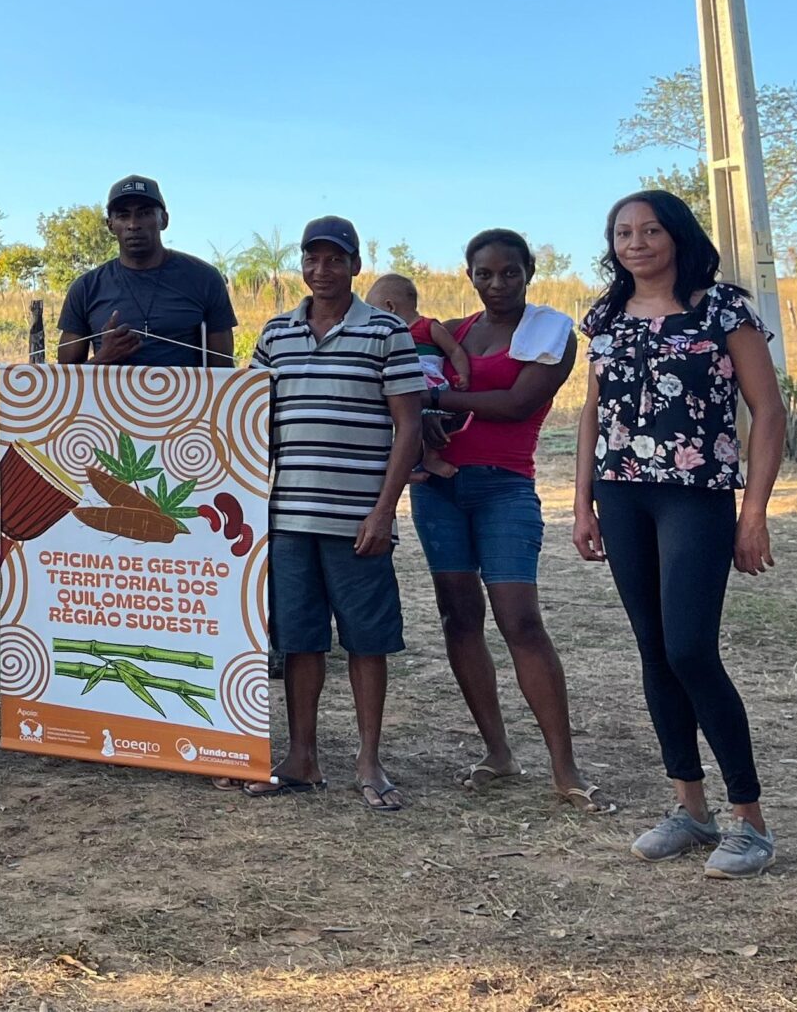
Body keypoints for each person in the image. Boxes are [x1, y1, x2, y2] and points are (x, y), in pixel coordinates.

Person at [575, 190, 787, 878]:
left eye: (651, 229)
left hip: (695, 494)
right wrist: (581, 502)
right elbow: (592, 414)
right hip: (621, 493)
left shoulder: (720, 306)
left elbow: (767, 409)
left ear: (678, 234)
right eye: (623, 231)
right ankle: (689, 807)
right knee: (654, 650)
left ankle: (749, 821)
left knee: (692, 648)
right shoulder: (605, 314)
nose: (636, 242)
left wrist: (752, 511)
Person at [406, 231, 609, 812]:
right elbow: (416, 385)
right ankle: (498, 752)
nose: (497, 284)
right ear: (470, 275)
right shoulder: (459, 332)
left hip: (505, 486)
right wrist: (425, 421)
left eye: (509, 273)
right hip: (440, 490)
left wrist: (435, 406)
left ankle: (564, 767)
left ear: (529, 273)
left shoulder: (550, 331)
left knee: (520, 621)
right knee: (458, 617)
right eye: (485, 274)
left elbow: (520, 402)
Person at [245, 216, 424, 812]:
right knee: (299, 641)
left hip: (357, 520)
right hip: (289, 516)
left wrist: (383, 510)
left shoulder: (385, 332)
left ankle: (369, 760)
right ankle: (302, 757)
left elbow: (409, 425)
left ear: (354, 265)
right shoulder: (275, 335)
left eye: (334, 259)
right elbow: (248, 424)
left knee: (366, 641)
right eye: (311, 259)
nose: (321, 270)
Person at [56, 176, 237, 367]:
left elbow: (223, 374)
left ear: (164, 220)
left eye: (144, 213)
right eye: (123, 215)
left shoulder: (205, 279)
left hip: (187, 397)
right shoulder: (85, 288)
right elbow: (65, 380)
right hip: (106, 397)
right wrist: (103, 359)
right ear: (110, 225)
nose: (133, 224)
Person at [365, 272, 472, 481]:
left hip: (429, 384)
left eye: (375, 314)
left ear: (390, 307)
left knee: (426, 423)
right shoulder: (388, 336)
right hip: (403, 386)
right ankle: (403, 468)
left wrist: (463, 374)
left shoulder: (428, 326)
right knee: (403, 427)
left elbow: (454, 351)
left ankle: (430, 458)